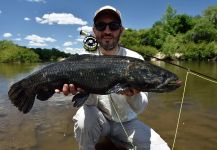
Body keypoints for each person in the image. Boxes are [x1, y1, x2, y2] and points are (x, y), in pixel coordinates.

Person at [56, 5, 170, 150]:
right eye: (101, 26)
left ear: (121, 30)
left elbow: (140, 109)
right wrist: (80, 89)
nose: (107, 31)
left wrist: (133, 96)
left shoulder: (135, 58)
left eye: (113, 26)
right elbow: (89, 105)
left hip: (127, 124)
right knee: (84, 118)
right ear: (94, 31)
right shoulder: (83, 59)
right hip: (99, 122)